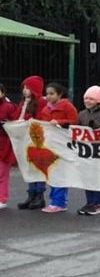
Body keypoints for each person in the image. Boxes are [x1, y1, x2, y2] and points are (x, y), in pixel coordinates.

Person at [40, 83, 78, 213]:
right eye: (47, 93)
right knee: (52, 173)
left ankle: (59, 202)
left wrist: (60, 122)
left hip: (63, 145)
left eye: (52, 93)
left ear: (60, 94)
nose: (48, 96)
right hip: (50, 145)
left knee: (60, 172)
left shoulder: (67, 106)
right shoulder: (45, 109)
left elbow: (74, 122)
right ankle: (54, 201)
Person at [75, 86, 100, 216]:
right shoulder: (81, 114)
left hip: (98, 151)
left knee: (97, 177)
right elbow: (76, 129)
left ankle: (97, 203)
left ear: (98, 101)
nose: (87, 101)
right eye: (86, 98)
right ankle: (89, 202)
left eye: (91, 99)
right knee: (87, 177)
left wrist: (94, 124)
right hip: (85, 150)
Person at [15, 76, 48, 210]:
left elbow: (39, 119)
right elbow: (18, 117)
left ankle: (39, 195)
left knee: (38, 167)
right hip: (26, 139)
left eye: (27, 88)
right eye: (24, 87)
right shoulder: (24, 102)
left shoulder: (41, 102)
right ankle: (31, 194)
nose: (24, 90)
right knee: (29, 167)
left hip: (38, 139)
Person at [0, 84, 17, 210]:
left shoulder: (9, 107)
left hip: (4, 143)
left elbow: (15, 124)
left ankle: (2, 198)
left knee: (2, 173)